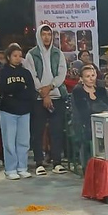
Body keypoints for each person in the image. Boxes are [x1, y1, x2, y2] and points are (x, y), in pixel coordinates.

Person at [24, 24, 68, 175]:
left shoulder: (58, 53)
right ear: (39, 36)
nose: (47, 37)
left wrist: (50, 88)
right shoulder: (31, 54)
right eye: (44, 34)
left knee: (56, 131)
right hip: (38, 98)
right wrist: (44, 95)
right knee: (38, 131)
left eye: (49, 34)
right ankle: (39, 163)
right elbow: (32, 76)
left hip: (57, 97)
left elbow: (62, 74)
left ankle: (57, 162)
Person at [0, 43, 35, 180]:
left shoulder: (26, 73)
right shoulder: (3, 72)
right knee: (9, 141)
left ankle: (22, 167)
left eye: (20, 56)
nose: (18, 58)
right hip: (8, 110)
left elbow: (30, 91)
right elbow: (4, 89)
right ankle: (10, 169)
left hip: (24, 110)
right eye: (15, 56)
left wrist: (17, 91)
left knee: (24, 140)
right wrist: (19, 89)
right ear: (8, 57)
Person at [72, 65, 108, 166]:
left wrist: (106, 113)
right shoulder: (78, 91)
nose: (91, 78)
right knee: (90, 134)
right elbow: (83, 112)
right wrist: (101, 113)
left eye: (93, 75)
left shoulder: (101, 90)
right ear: (81, 79)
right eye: (87, 76)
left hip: (105, 123)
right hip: (86, 124)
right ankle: (89, 167)